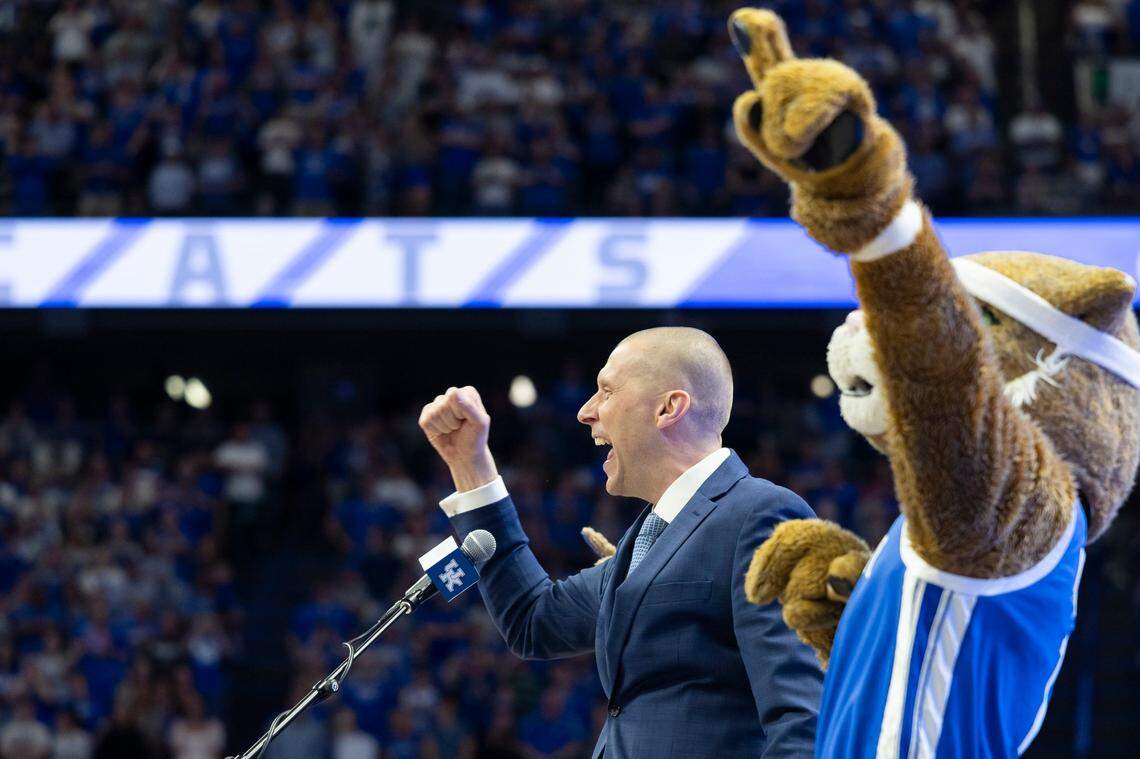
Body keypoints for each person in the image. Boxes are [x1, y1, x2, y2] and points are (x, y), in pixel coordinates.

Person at [418, 327, 822, 758]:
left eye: (606, 391)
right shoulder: (647, 537)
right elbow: (532, 621)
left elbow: (802, 719)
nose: (585, 412)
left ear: (669, 408)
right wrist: (471, 466)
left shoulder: (762, 515)